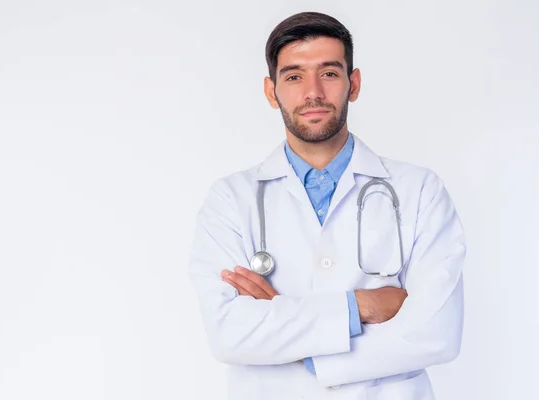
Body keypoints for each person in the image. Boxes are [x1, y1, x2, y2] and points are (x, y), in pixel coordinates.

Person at [187, 11, 465, 400]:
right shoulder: (231, 200)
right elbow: (228, 334)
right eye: (294, 76)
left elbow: (438, 332)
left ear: (354, 84)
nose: (313, 92)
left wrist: (284, 323)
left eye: (329, 73)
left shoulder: (420, 190)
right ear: (271, 91)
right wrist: (361, 306)